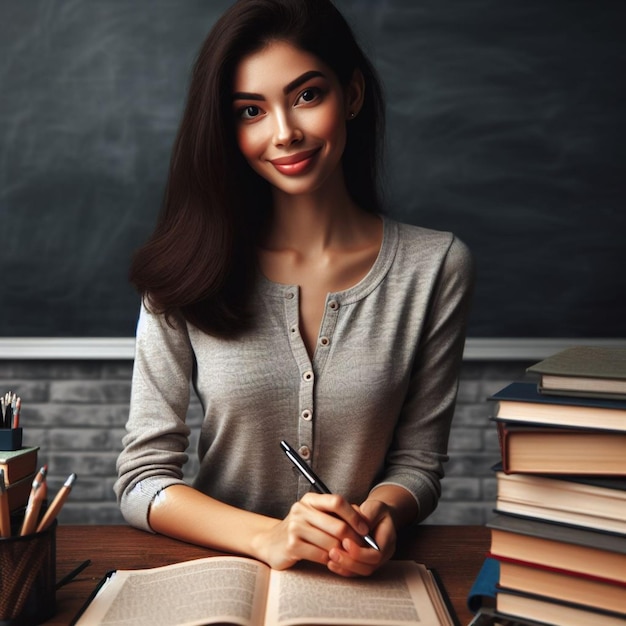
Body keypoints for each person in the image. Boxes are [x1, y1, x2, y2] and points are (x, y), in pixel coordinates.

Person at [115, 0, 474, 578]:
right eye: (251, 111)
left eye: (307, 95)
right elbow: (141, 480)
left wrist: (378, 515)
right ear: (226, 129)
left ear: (351, 95)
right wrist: (270, 537)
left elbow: (418, 464)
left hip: (359, 582)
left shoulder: (436, 267)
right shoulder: (184, 270)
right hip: (217, 578)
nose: (284, 133)